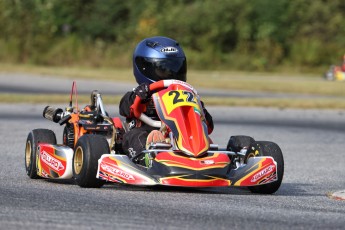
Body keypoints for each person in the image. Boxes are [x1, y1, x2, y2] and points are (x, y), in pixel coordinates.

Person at [119, 36, 214, 162]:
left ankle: (204, 157)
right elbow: (124, 107)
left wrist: (199, 112)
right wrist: (139, 96)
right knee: (134, 136)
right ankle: (146, 158)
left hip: (179, 133)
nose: (171, 74)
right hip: (148, 131)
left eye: (176, 68)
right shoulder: (139, 94)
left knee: (205, 138)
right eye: (163, 69)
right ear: (145, 67)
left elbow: (209, 126)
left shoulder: (185, 94)